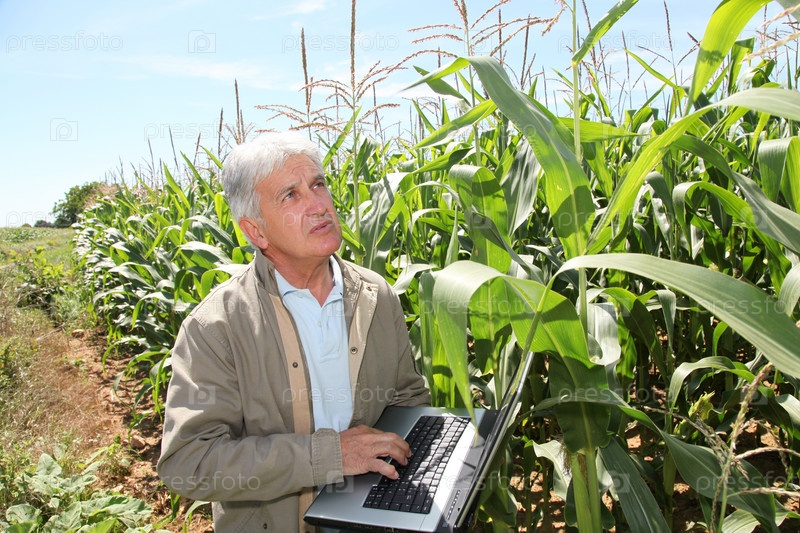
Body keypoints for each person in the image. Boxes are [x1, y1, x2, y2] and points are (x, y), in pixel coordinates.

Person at [157, 132, 431, 532]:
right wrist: (329, 456)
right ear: (256, 231)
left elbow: (407, 398)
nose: (319, 205)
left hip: (376, 518)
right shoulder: (215, 328)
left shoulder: (376, 295)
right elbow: (190, 461)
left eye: (318, 185)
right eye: (291, 195)